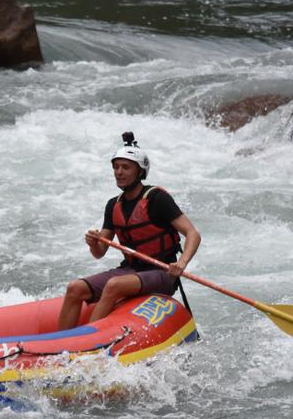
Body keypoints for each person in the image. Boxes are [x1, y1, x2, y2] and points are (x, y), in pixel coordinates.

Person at [57, 133, 202, 329]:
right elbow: (99, 253)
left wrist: (181, 263)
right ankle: (60, 343)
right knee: (75, 288)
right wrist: (93, 242)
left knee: (114, 285)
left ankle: (82, 344)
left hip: (162, 272)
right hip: (130, 269)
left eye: (126, 167)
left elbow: (193, 234)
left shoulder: (157, 198)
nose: (119, 172)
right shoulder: (113, 205)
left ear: (140, 171)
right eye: (116, 167)